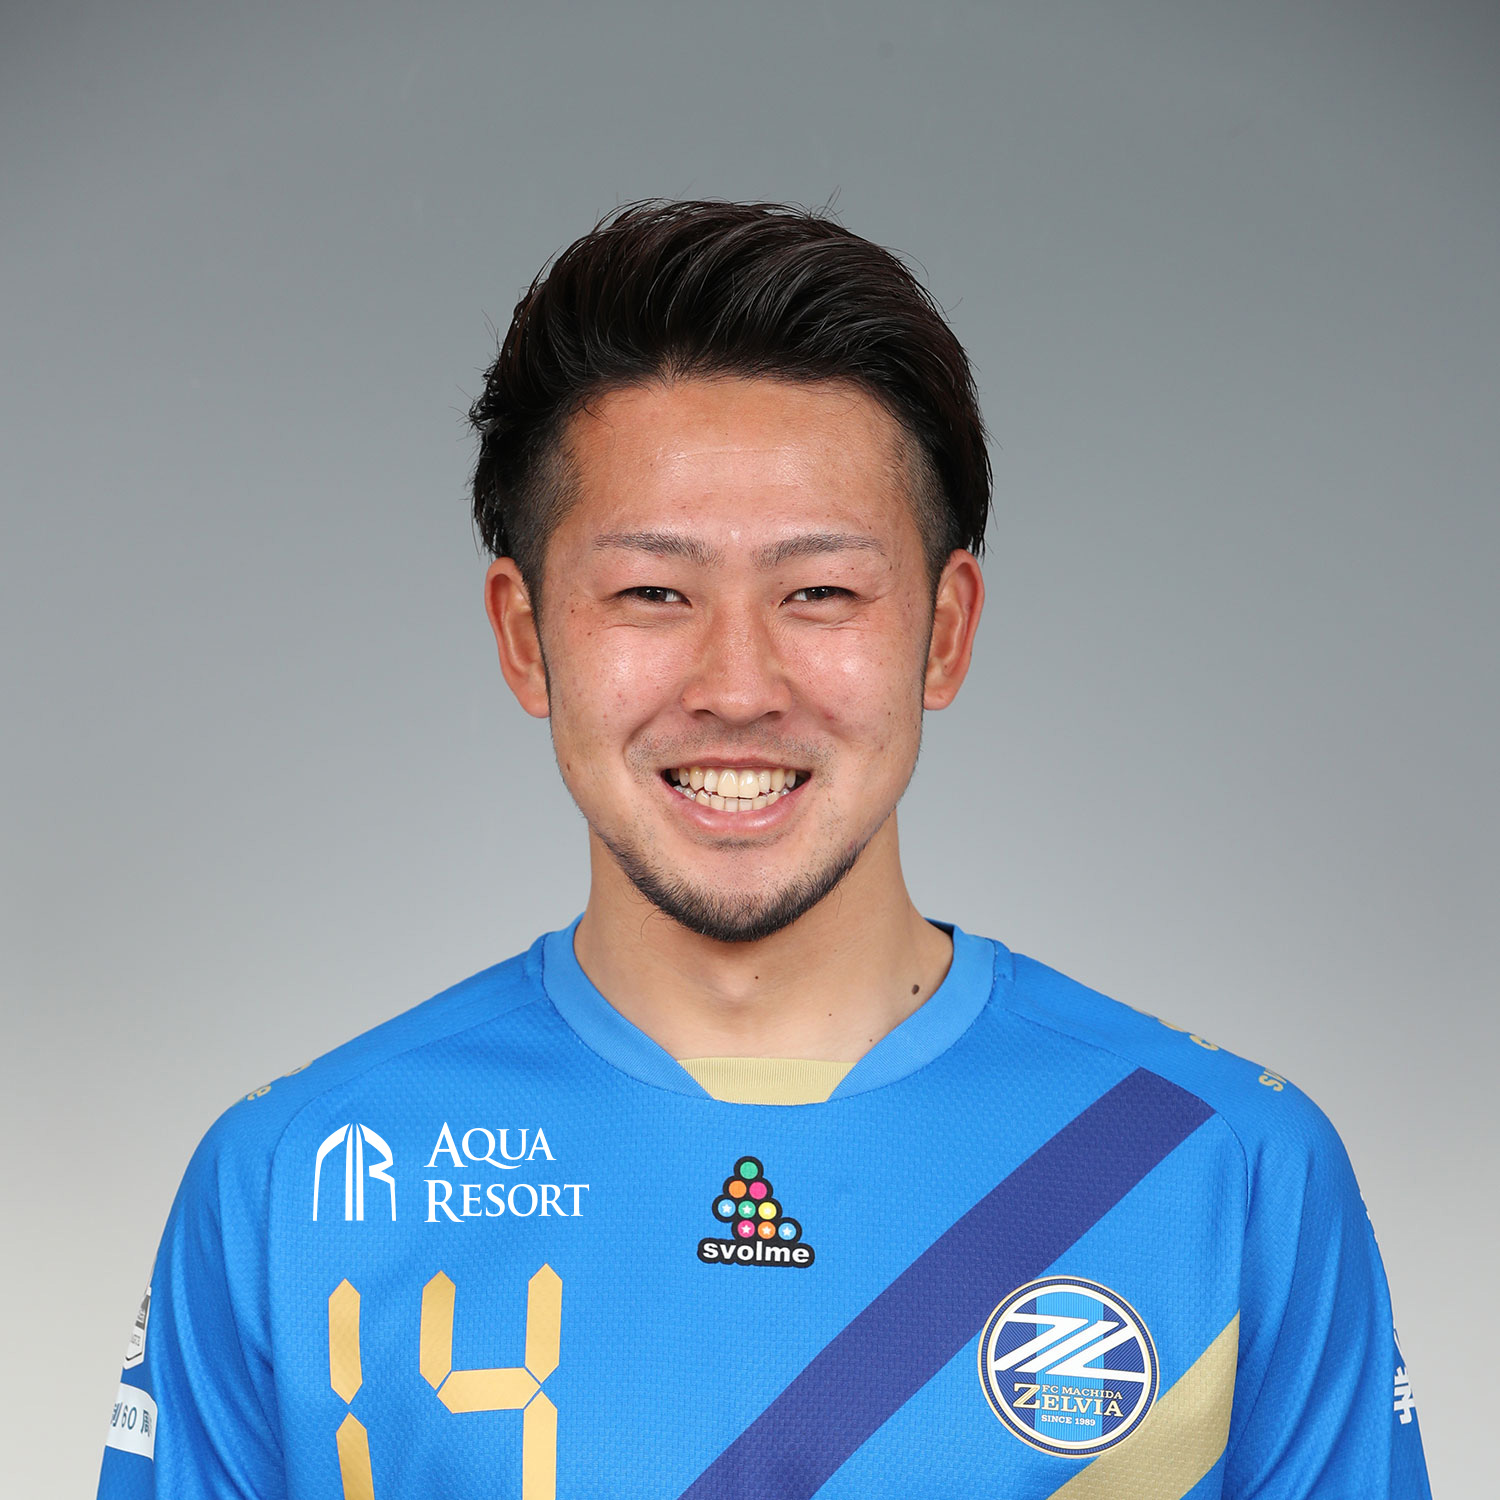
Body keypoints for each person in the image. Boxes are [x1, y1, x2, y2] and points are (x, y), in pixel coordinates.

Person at [98, 201, 1431, 1500]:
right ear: (525, 637)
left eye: (820, 592)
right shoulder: (294, 1181)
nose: (737, 686)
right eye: (652, 592)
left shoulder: (1227, 1171)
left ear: (945, 633)